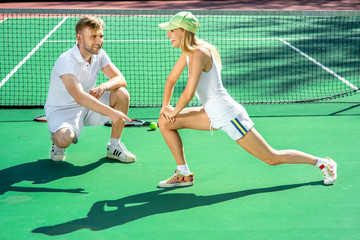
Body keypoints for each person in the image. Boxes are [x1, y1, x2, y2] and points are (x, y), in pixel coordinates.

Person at [156, 11, 337, 188]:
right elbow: (171, 79)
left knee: (271, 158)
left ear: (183, 31)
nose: (168, 34)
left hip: (229, 115)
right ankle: (184, 174)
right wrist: (166, 107)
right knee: (165, 122)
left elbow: (189, 92)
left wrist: (174, 111)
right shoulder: (189, 52)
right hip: (210, 113)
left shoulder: (199, 53)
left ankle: (323, 163)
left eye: (172, 30)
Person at [44, 16, 135, 163]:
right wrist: (112, 113)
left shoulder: (99, 55)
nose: (99, 41)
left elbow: (120, 80)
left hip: (89, 105)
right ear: (79, 38)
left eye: (101, 36)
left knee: (121, 93)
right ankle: (56, 141)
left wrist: (103, 86)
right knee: (64, 139)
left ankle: (114, 145)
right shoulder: (66, 61)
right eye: (93, 37)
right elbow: (79, 97)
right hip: (63, 110)